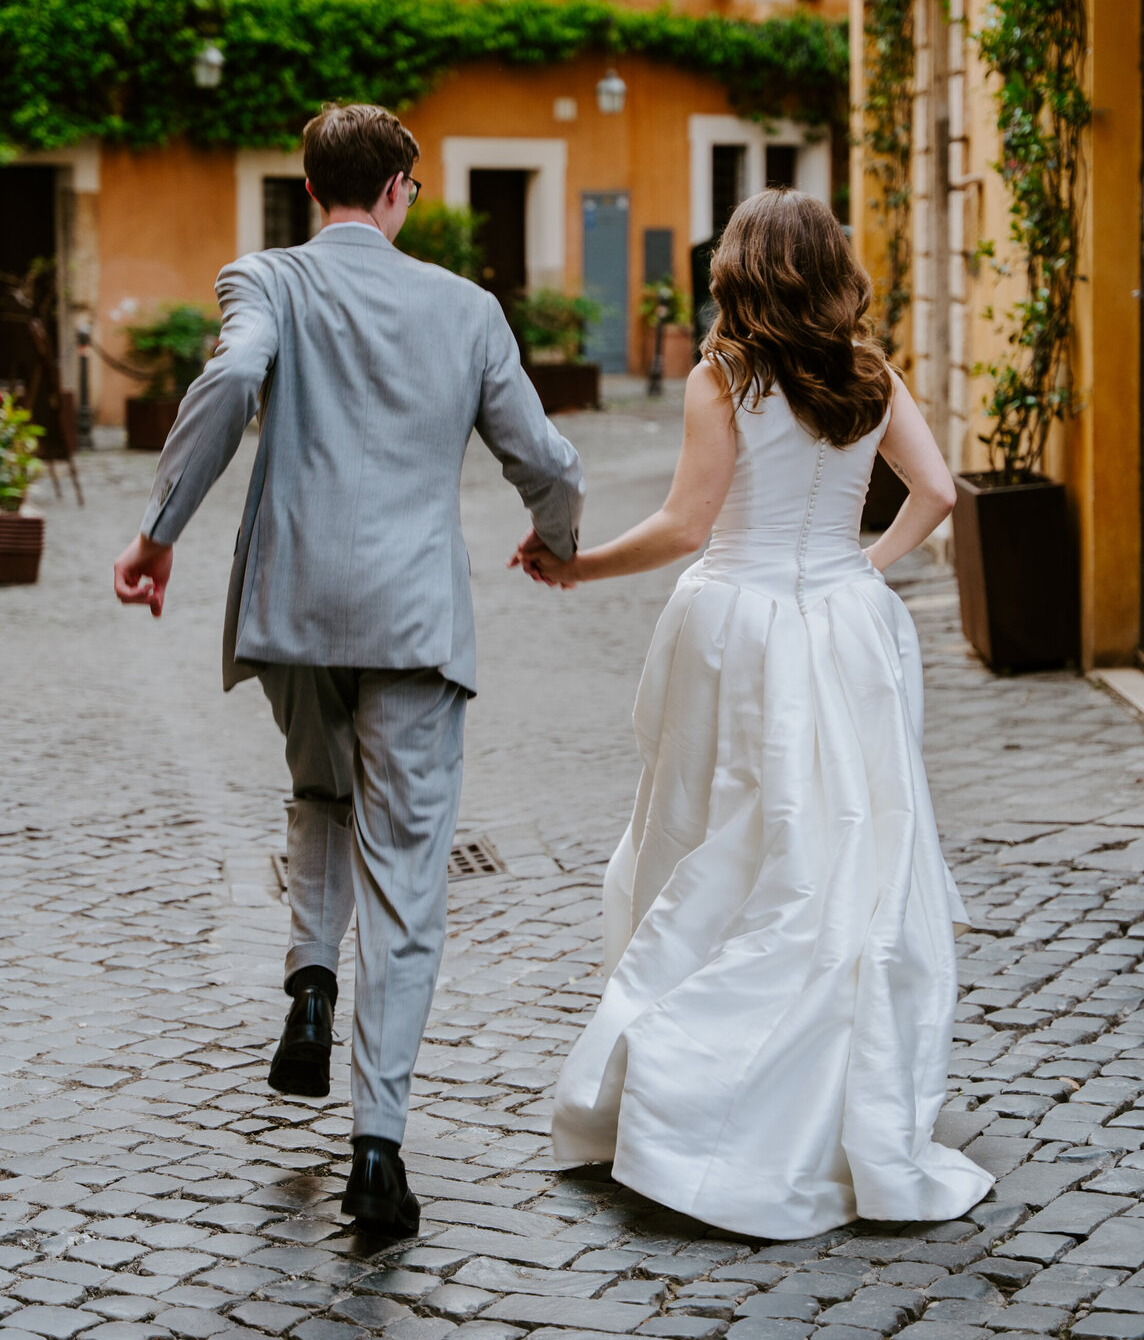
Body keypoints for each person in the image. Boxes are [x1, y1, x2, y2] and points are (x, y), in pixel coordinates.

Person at [114, 103, 583, 1238]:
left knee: (317, 788)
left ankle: (311, 977)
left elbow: (229, 389)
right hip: (414, 624)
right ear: (397, 190)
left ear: (310, 187)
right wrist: (557, 538)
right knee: (412, 882)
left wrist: (160, 529)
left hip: (292, 612)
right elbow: (548, 460)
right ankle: (377, 1152)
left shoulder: (261, 279)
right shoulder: (467, 309)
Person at [515, 189, 993, 1241]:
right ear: (828, 272)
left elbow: (690, 524)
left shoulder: (722, 380)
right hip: (850, 629)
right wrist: (859, 571)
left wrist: (579, 564)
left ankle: (693, 1089)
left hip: (738, 630)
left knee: (714, 841)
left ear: (738, 271)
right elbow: (941, 494)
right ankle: (833, 1091)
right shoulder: (870, 376)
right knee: (843, 852)